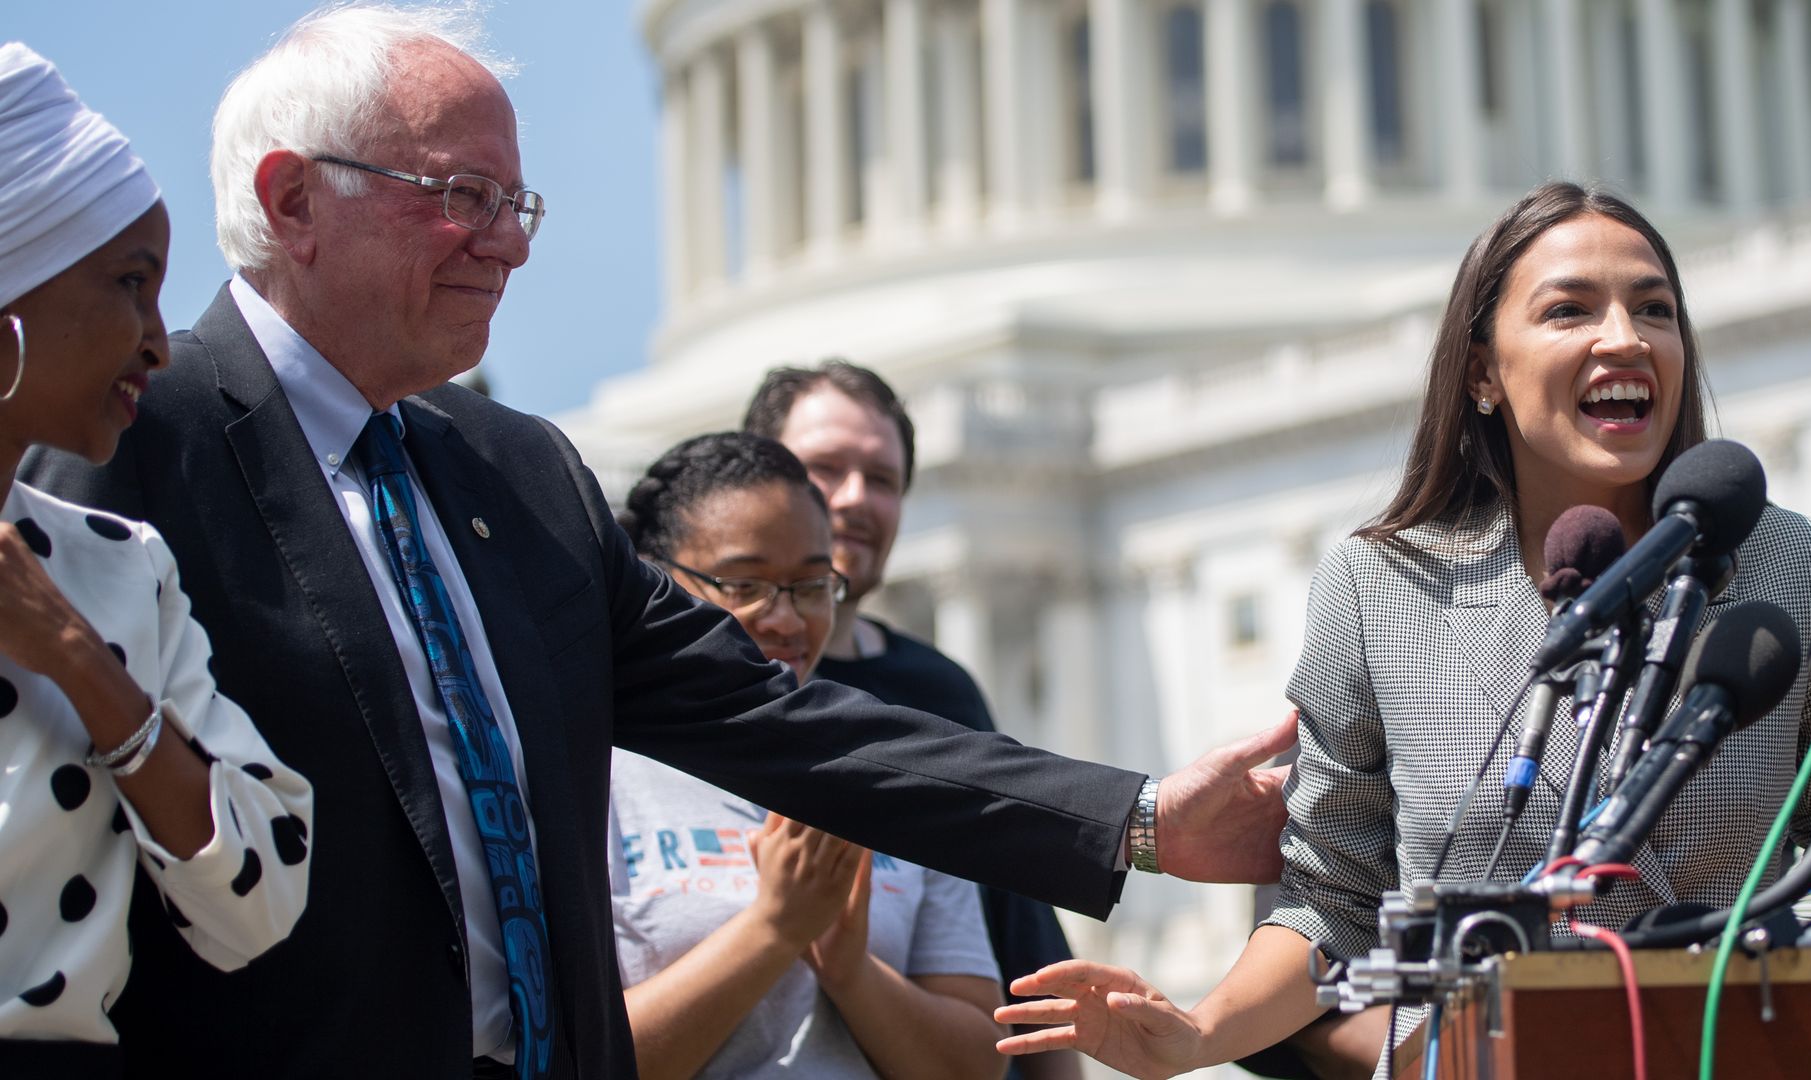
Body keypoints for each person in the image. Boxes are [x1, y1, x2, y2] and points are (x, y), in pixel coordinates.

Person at [21, 8, 1294, 1078]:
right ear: (294, 200)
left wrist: (1138, 819)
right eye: (461, 198)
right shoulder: (134, 438)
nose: (509, 242)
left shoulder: (515, 473)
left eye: (517, 202)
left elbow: (783, 720)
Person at [994, 181, 1811, 1079]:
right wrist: (1196, 1034)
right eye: (1570, 311)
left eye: (1655, 309)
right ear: (1481, 370)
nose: (1625, 338)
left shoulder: (1791, 565)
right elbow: (1334, 902)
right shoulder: (1377, 589)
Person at [0, 44, 312, 1077]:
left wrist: (82, 665)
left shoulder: (119, 569)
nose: (159, 342)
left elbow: (260, 898)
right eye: (130, 285)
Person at [608, 431, 1005, 1079]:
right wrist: (774, 929)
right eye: (745, 584)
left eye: (812, 585)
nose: (786, 620)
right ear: (654, 581)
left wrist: (851, 971)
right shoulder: (594, 773)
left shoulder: (895, 774)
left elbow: (976, 1066)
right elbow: (574, 1058)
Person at [744, 360, 1085, 1080]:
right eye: (826, 468)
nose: (855, 499)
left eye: (883, 479)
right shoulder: (717, 688)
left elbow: (1023, 929)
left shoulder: (939, 690)